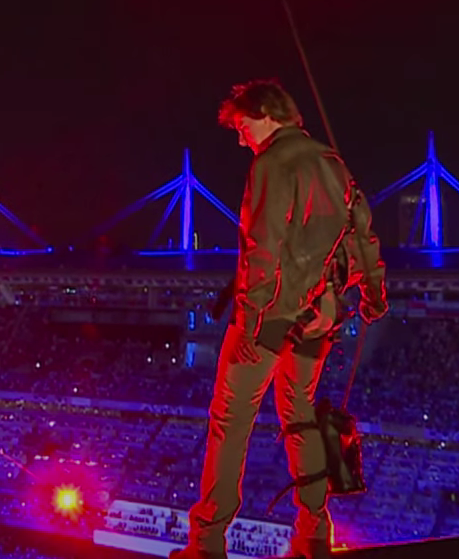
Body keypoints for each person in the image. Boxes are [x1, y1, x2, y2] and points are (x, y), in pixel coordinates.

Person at [170, 79, 387, 559]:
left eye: (242, 126)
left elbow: (260, 248)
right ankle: (313, 529)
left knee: (230, 422)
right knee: (300, 415)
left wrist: (248, 324)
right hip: (321, 316)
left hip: (270, 317)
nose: (240, 137)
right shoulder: (332, 162)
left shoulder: (272, 162)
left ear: (266, 115)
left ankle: (207, 541)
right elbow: (363, 235)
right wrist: (373, 293)